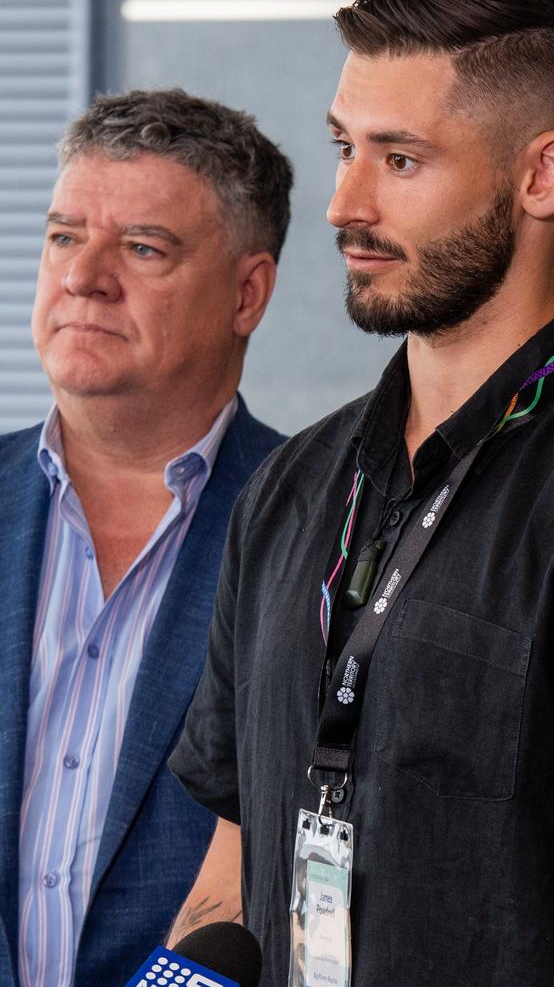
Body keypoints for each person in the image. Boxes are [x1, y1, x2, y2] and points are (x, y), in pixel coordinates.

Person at [168, 0, 554, 985]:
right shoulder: (290, 490)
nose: (344, 204)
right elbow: (237, 857)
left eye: (401, 159)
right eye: (344, 148)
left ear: (543, 176)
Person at [0, 89, 291, 987]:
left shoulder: (329, 529)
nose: (84, 275)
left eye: (141, 247)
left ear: (248, 294)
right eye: (63, 236)